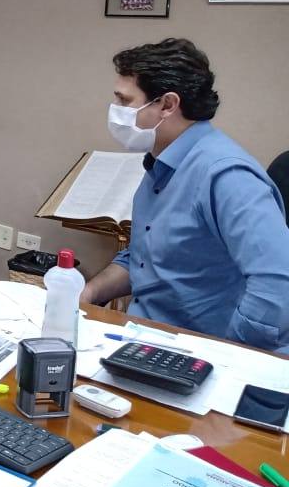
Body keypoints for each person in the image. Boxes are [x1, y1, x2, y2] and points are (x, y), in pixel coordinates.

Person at [82, 38, 289, 353]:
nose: (117, 111)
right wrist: (88, 292)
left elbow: (277, 284)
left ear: (167, 105)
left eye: (125, 101)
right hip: (147, 337)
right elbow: (141, 259)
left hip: (202, 352)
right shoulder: (162, 166)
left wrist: (230, 352)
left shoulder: (226, 176)